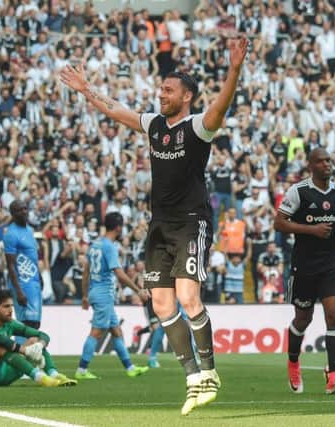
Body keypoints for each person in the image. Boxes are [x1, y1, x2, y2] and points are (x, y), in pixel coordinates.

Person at [60, 36, 249, 416]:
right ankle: (194, 378)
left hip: (191, 222)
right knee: (162, 304)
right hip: (159, 225)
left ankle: (210, 371)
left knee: (188, 297)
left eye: (168, 90)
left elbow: (221, 106)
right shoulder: (154, 125)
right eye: (161, 88)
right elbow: (117, 111)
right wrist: (87, 91)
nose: (161, 94)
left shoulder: (198, 127)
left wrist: (234, 70)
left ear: (186, 97)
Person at [274, 147, 335, 394]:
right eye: (321, 161)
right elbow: (279, 223)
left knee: (334, 313)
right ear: (311, 166)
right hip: (304, 265)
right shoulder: (299, 192)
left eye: (329, 160)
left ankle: (333, 377)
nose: (327, 164)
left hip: (331, 262)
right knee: (303, 319)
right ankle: (293, 362)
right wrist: (312, 230)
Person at [76, 212, 150, 380]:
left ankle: (130, 368)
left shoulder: (95, 245)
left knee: (116, 331)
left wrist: (85, 295)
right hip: (104, 294)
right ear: (118, 227)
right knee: (96, 332)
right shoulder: (109, 247)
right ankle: (81, 370)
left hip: (96, 292)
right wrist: (138, 289)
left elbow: (86, 271)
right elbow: (119, 273)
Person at [0, 289, 76, 387]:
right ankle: (42, 379)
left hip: (2, 375)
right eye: (6, 306)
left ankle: (54, 375)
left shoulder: (10, 323)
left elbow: (43, 335)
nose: (11, 310)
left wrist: (39, 345)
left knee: (34, 341)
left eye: (12, 306)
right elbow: (0, 340)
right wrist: (26, 351)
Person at [4, 200, 43, 338]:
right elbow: (10, 265)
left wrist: (40, 276)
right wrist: (18, 290)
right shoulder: (11, 234)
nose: (24, 212)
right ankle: (18, 356)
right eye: (20, 210)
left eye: (25, 209)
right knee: (26, 324)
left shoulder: (29, 230)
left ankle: (26, 357)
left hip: (34, 282)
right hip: (23, 283)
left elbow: (31, 257)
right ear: (13, 214)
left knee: (35, 324)